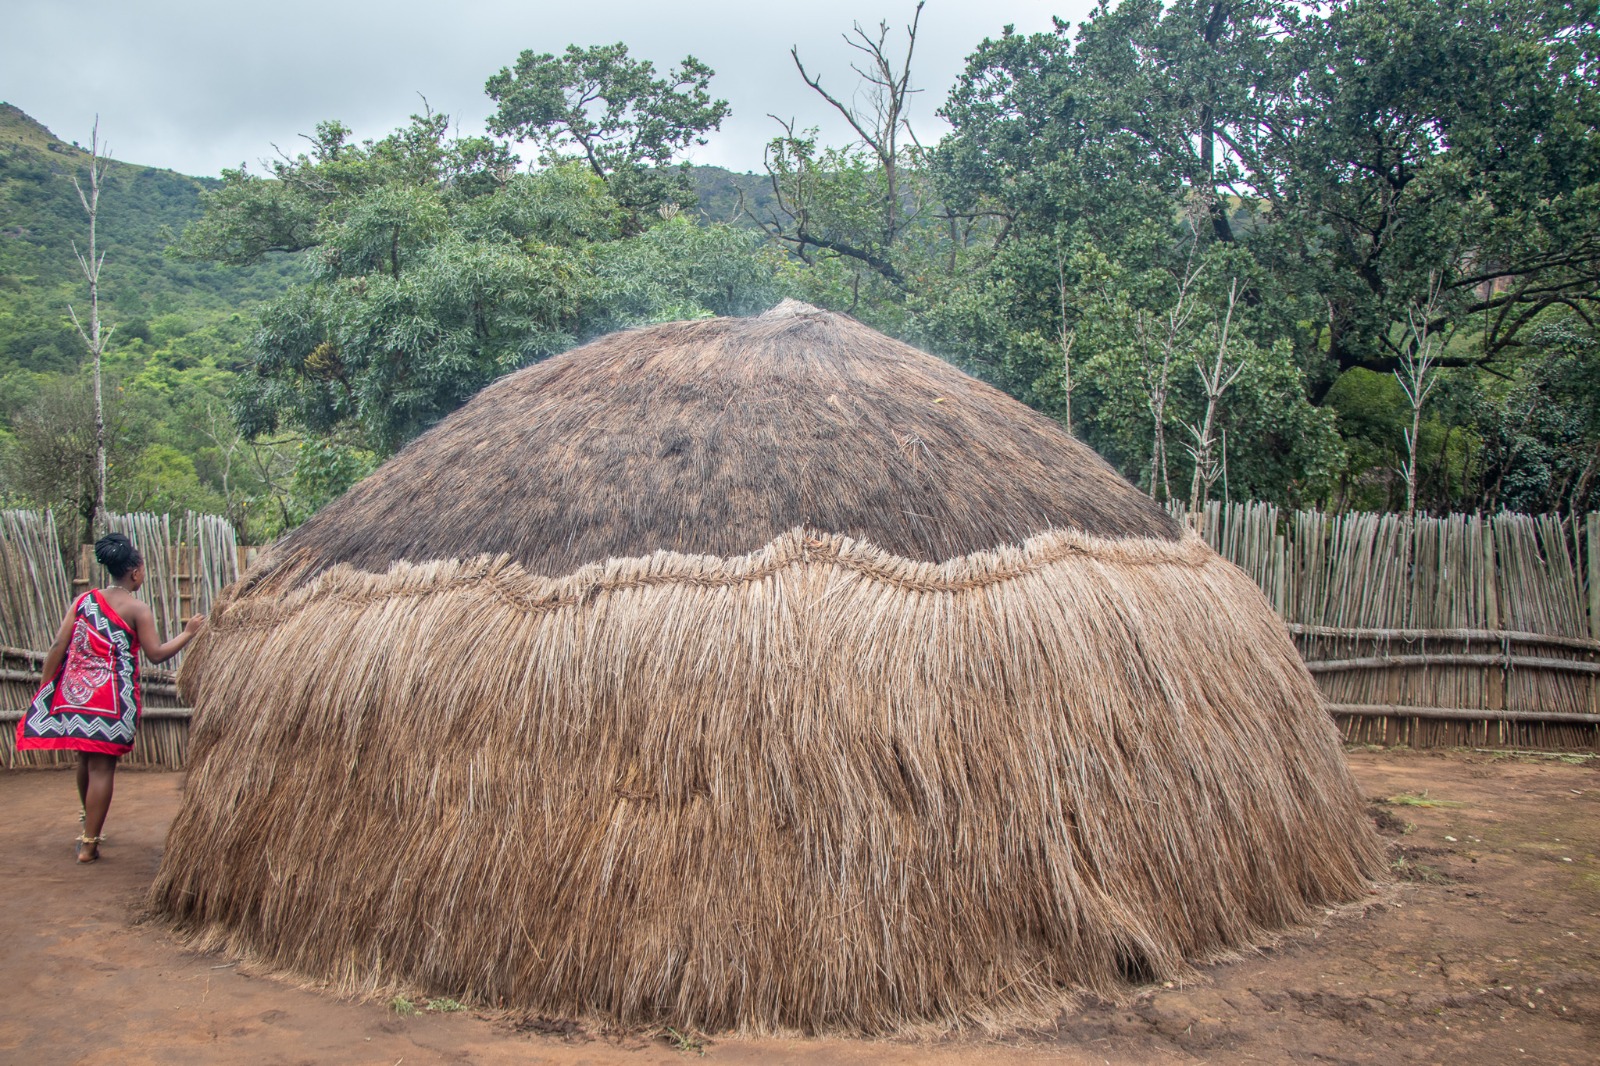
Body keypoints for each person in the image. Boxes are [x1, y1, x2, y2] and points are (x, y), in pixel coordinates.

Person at [15, 532, 205, 863]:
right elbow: (156, 654)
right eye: (142, 570)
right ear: (134, 572)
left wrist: (47, 687)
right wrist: (187, 634)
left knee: (85, 761)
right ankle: (89, 845)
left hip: (75, 696)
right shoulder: (137, 609)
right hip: (111, 701)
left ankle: (88, 826)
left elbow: (59, 646)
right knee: (103, 769)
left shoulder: (84, 600)